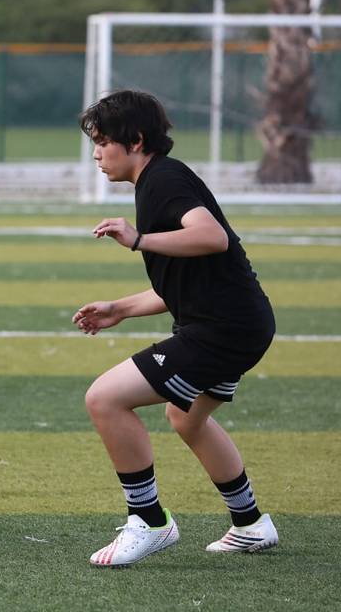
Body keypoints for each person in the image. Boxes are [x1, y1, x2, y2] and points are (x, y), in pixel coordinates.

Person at [73, 89, 278, 567]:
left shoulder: (163, 179)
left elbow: (212, 237)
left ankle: (149, 520)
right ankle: (250, 524)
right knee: (186, 417)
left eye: (104, 142)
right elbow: (187, 285)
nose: (98, 153)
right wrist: (120, 308)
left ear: (136, 140)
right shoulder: (157, 182)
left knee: (105, 398)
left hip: (223, 330)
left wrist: (138, 238)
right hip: (240, 323)